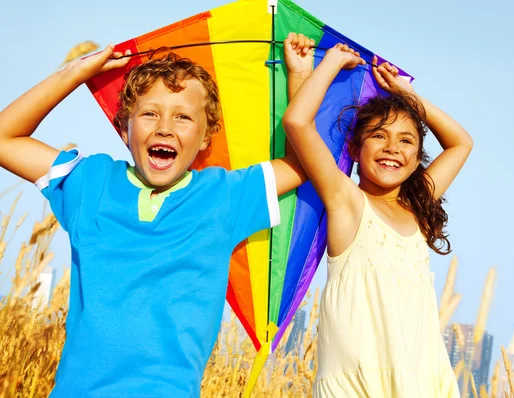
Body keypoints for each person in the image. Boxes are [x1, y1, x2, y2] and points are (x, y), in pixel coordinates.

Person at [0, 32, 314, 397]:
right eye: (149, 114)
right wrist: (77, 73)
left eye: (183, 117)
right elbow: (6, 140)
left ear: (206, 137)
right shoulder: (90, 182)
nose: (164, 127)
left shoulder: (223, 196)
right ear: (123, 127)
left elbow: (300, 163)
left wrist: (299, 75)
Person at [283, 43, 473, 397]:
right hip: (358, 385)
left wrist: (408, 95)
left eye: (406, 141)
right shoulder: (347, 202)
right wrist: (332, 62)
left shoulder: (417, 209)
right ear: (355, 149)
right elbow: (297, 122)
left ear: (417, 158)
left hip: (423, 382)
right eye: (378, 136)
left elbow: (461, 143)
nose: (392, 148)